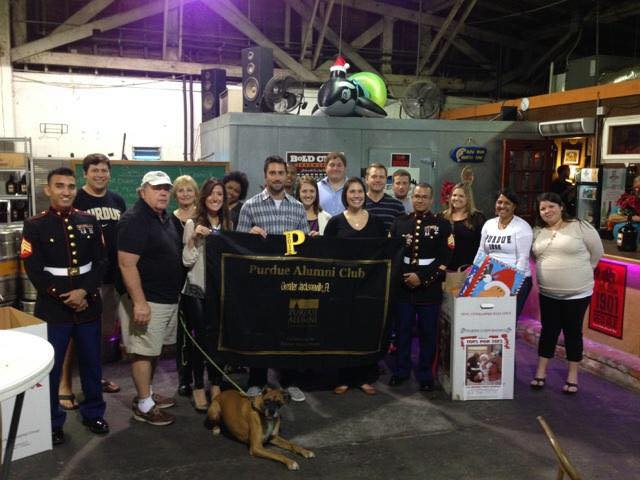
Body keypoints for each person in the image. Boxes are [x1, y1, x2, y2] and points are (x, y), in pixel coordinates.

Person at [21, 167, 109, 445]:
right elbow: (33, 267)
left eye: (71, 186)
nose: (66, 191)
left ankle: (93, 412)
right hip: (54, 307)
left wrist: (83, 291)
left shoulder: (89, 220)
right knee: (52, 367)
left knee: (92, 364)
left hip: (88, 304)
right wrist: (65, 294)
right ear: (48, 190)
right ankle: (52, 421)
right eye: (59, 186)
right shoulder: (35, 225)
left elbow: (102, 261)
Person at [237, 156, 309, 402]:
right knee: (260, 330)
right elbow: (238, 243)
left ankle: (290, 381)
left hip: (290, 280)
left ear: (287, 177)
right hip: (260, 282)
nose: (277, 177)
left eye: (281, 173)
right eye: (273, 173)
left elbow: (304, 245)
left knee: (290, 330)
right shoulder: (250, 206)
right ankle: (256, 380)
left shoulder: (298, 208)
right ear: (265, 175)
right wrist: (249, 233)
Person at [58, 154, 125, 411]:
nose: (100, 174)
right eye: (95, 170)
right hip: (83, 279)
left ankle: (94, 377)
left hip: (110, 277)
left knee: (101, 334)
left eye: (104, 170)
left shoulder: (117, 200)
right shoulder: (76, 198)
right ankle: (64, 384)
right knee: (75, 335)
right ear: (85, 174)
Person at [117, 171, 183, 426]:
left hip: (165, 298)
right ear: (142, 191)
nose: (164, 192)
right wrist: (140, 302)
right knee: (143, 352)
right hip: (149, 300)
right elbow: (126, 264)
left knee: (153, 350)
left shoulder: (163, 217)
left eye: (166, 188)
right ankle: (144, 404)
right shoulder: (134, 220)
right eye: (157, 188)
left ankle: (148, 393)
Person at [530, 192, 603, 394]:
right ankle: (541, 371)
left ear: (561, 207)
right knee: (548, 331)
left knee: (573, 332)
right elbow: (536, 257)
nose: (547, 211)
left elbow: (597, 253)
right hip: (548, 293)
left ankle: (572, 375)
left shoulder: (580, 226)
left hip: (577, 294)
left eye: (551, 206)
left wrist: (581, 273)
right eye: (543, 208)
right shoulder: (538, 231)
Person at [324, 177, 386, 395]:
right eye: (352, 192)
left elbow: (385, 252)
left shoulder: (377, 222)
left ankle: (364, 378)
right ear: (345, 195)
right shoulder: (335, 222)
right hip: (342, 288)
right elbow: (327, 255)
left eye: (360, 191)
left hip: (370, 288)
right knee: (343, 331)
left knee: (366, 330)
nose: (357, 195)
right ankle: (343, 378)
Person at [388, 183, 452, 392]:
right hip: (403, 287)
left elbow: (445, 258)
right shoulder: (399, 222)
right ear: (411, 198)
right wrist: (404, 277)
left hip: (429, 288)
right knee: (402, 332)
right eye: (416, 196)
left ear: (431, 200)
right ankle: (401, 371)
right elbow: (392, 253)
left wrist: (422, 278)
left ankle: (426, 374)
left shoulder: (442, 225)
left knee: (428, 334)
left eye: (424, 197)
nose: (420, 200)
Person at [182, 179, 230, 411]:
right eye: (211, 194)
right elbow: (186, 261)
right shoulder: (193, 223)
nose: (215, 198)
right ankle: (198, 385)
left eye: (219, 194)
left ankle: (216, 383)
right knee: (200, 341)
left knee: (218, 340)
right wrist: (194, 238)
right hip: (198, 290)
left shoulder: (228, 224)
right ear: (204, 197)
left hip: (220, 292)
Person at [476, 189, 533, 318]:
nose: (502, 206)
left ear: (514, 206)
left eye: (507, 203)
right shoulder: (488, 224)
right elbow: (482, 251)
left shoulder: (522, 227)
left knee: (507, 319)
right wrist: (475, 274)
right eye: (499, 202)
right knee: (488, 317)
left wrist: (512, 283)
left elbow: (522, 258)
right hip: (491, 277)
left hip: (517, 279)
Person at [170, 175, 199, 397]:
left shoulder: (203, 217)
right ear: (175, 194)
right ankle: (184, 378)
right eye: (181, 190)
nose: (185, 194)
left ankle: (205, 379)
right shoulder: (169, 219)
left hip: (201, 282)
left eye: (189, 190)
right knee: (183, 335)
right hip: (178, 280)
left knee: (202, 333)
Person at [440, 182, 485, 270]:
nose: (456, 198)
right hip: (445, 270)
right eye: (454, 195)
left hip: (468, 270)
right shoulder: (442, 217)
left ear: (468, 198)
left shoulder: (477, 218)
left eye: (461, 196)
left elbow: (482, 247)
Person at [364, 163, 405, 233]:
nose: (378, 180)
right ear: (366, 179)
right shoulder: (357, 204)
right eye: (374, 176)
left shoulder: (397, 206)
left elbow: (401, 235)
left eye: (381, 177)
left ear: (386, 180)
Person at [318, 152, 347, 216]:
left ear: (345, 168)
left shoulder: (353, 188)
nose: (335, 168)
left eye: (339, 165)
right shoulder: (316, 188)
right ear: (325, 168)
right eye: (332, 165)